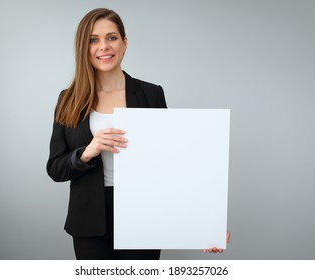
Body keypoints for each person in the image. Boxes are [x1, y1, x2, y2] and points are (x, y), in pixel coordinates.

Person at [47, 8, 229, 260]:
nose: (104, 47)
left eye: (111, 37)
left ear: (124, 43)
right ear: (84, 47)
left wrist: (206, 223)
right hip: (88, 220)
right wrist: (88, 151)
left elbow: (172, 163)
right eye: (93, 40)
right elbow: (56, 168)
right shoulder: (69, 99)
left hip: (144, 215)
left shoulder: (151, 94)